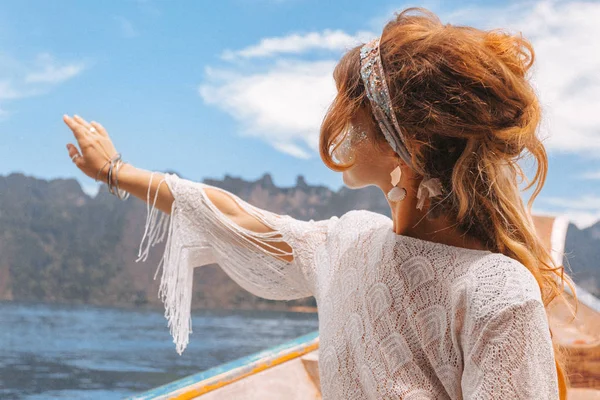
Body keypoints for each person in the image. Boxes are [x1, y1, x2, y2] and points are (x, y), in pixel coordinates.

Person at [63, 7, 577, 399]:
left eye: (356, 112)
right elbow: (237, 217)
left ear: (409, 147)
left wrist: (115, 171)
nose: (339, 125)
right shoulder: (350, 242)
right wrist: (115, 171)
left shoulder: (496, 290)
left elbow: (238, 218)